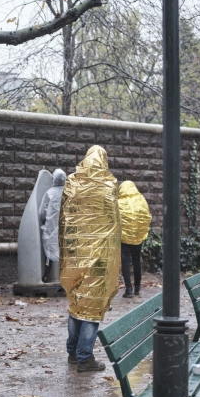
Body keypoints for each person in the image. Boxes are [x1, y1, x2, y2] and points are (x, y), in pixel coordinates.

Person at [59, 145, 121, 372]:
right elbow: (115, 223)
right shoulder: (109, 184)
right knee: (92, 307)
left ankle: (73, 353)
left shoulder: (72, 182)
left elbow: (63, 220)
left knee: (76, 302)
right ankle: (85, 357)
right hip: (100, 258)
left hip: (74, 255)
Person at [118, 181, 152, 298]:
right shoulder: (141, 199)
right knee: (137, 260)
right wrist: (142, 231)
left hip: (124, 238)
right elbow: (147, 215)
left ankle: (129, 289)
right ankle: (137, 287)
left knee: (125, 262)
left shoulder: (119, 202)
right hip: (138, 237)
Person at [39, 169, 66, 283]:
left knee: (49, 250)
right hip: (65, 227)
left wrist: (44, 221)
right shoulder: (67, 193)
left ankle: (47, 275)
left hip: (51, 226)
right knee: (65, 251)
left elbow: (42, 212)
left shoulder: (49, 193)